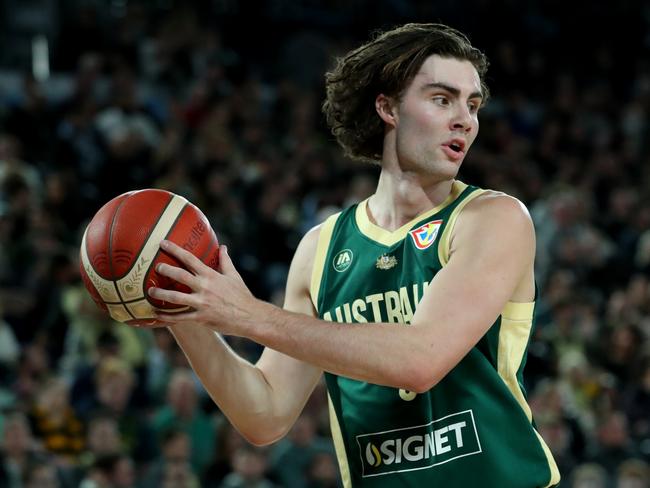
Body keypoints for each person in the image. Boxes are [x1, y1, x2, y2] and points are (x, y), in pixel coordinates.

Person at [146, 23, 561, 486]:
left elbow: (420, 360)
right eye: (442, 99)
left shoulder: (493, 218)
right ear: (387, 107)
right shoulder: (321, 249)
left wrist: (247, 316)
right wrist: (183, 307)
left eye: (473, 104)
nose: (465, 118)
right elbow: (264, 415)